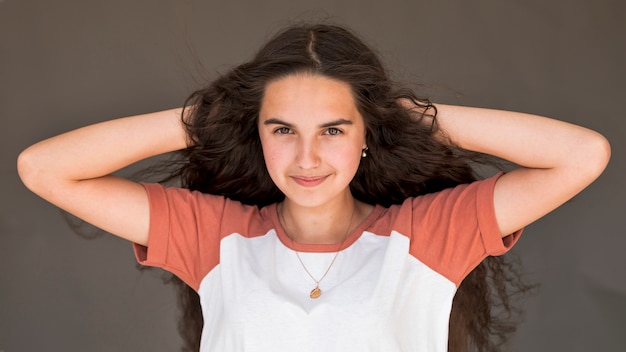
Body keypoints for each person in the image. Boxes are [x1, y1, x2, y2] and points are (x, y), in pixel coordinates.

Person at [17, 23, 610, 352]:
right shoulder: (215, 237)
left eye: (333, 129)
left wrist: (405, 113)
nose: (307, 157)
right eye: (282, 129)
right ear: (258, 134)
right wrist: (209, 115)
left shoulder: (429, 237)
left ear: (366, 135)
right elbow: (44, 169)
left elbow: (582, 155)